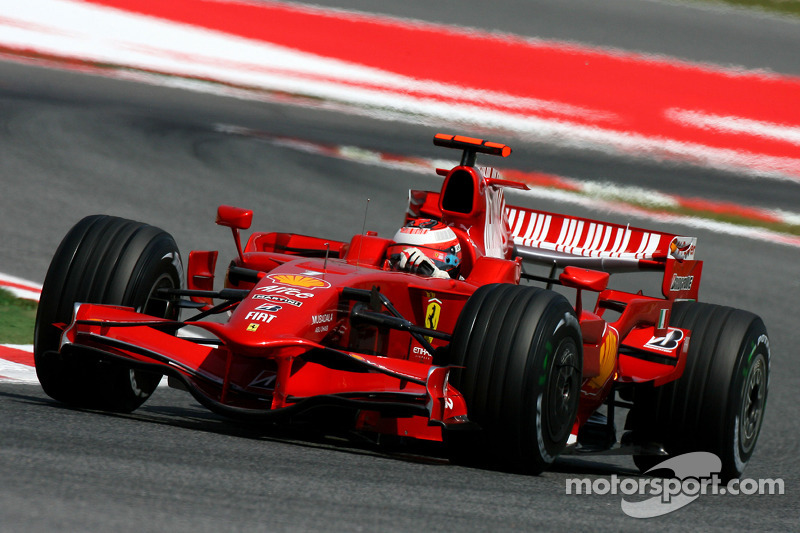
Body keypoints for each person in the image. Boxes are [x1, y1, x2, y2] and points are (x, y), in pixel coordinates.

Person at [388, 219, 462, 279]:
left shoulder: (468, 293)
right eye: (400, 257)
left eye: (420, 264)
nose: (409, 268)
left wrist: (434, 274)